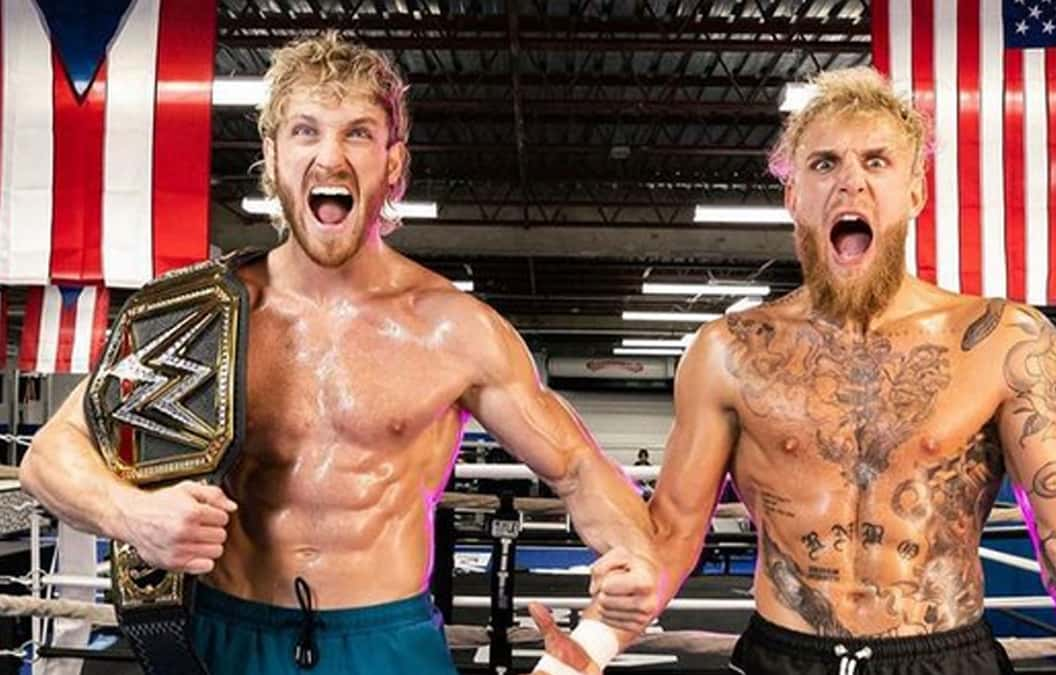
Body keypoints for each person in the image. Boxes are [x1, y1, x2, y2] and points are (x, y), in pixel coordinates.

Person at [19, 32, 660, 675]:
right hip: (227, 635)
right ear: (271, 159)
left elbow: (578, 467)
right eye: (305, 132)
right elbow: (50, 456)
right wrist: (132, 515)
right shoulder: (193, 317)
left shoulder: (455, 330)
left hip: (386, 641)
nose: (330, 158)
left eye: (357, 133)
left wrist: (626, 573)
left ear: (393, 163)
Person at [644, 67, 1056, 675]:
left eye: (876, 162)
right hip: (784, 657)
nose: (850, 185)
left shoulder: (1001, 341)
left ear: (915, 191)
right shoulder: (729, 351)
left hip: (943, 655)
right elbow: (673, 533)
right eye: (823, 165)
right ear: (793, 197)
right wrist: (594, 638)